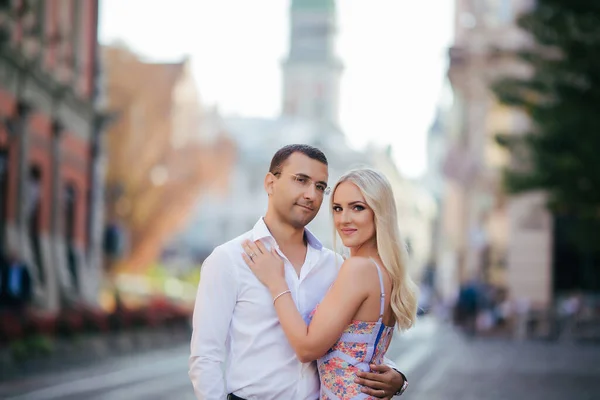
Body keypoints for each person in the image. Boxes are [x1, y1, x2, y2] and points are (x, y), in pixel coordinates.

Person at [189, 145, 409, 399]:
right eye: (301, 180)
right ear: (270, 183)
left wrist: (397, 377)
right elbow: (206, 357)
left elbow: (353, 344)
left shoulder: (336, 265)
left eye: (320, 187)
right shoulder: (229, 260)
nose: (311, 195)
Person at [241, 168, 418, 399]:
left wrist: (276, 281)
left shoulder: (358, 269)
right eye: (337, 208)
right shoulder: (383, 270)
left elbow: (307, 349)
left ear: (379, 212)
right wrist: (398, 379)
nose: (344, 219)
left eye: (358, 207)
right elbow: (364, 351)